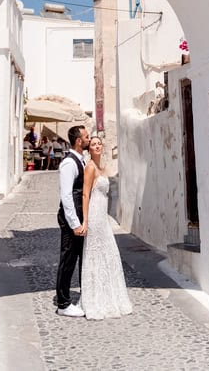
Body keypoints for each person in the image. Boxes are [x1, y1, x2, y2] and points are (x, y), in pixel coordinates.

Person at [81, 135, 132, 320]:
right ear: (89, 149)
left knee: (109, 253)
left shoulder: (102, 168)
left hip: (103, 217)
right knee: (96, 254)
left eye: (99, 144)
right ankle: (94, 298)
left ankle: (110, 295)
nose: (97, 146)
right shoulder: (90, 168)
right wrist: (85, 221)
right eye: (93, 144)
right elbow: (85, 195)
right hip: (94, 216)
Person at [55, 124, 90, 317]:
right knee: (67, 260)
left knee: (77, 257)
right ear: (78, 141)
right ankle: (63, 303)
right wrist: (74, 223)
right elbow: (66, 196)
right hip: (72, 221)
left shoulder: (81, 161)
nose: (88, 139)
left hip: (79, 218)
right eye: (86, 136)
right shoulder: (69, 164)